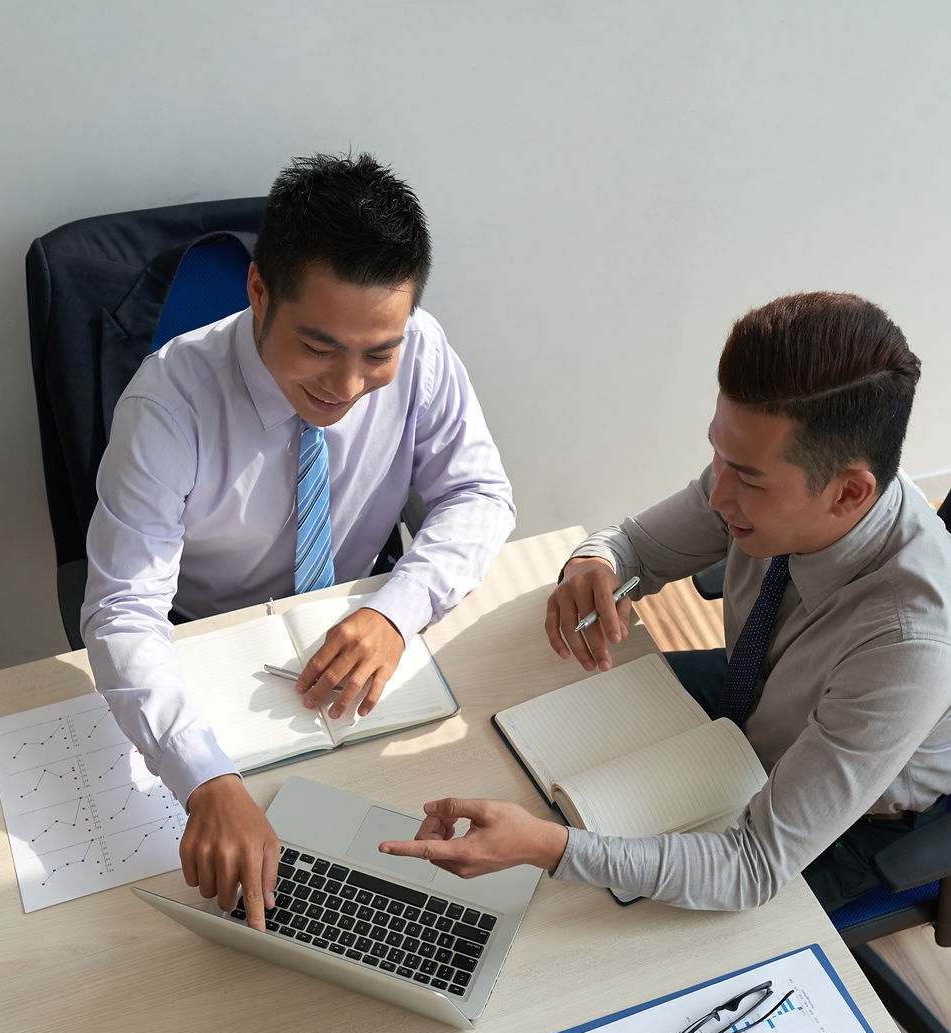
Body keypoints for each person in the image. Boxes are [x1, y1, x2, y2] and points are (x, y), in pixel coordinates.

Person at [380, 292, 951, 912]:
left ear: (849, 494)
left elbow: (753, 867)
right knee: (510, 733)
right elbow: (633, 546)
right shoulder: (757, 477)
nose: (717, 493)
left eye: (749, 479)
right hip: (746, 697)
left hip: (850, 821)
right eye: (718, 454)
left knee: (574, 918)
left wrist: (553, 849)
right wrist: (594, 563)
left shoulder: (908, 648)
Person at [82, 152, 515, 929]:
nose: (346, 387)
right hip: (206, 659)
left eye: (376, 353)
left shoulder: (420, 346)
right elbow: (121, 613)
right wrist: (204, 780)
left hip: (357, 638)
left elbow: (480, 494)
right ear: (258, 292)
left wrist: (396, 609)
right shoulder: (167, 404)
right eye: (318, 348)